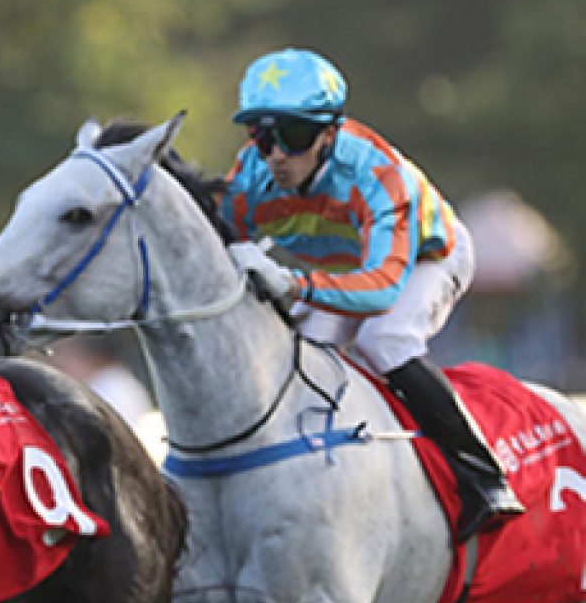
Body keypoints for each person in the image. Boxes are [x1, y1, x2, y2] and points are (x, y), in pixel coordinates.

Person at [220, 48, 522, 543]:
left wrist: (294, 285)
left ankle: (483, 476)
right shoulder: (249, 176)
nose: (276, 154)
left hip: (424, 258)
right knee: (303, 353)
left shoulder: (378, 174)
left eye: (294, 135)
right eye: (262, 135)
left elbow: (381, 289)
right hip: (343, 269)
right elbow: (217, 241)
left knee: (385, 340)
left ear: (329, 133)